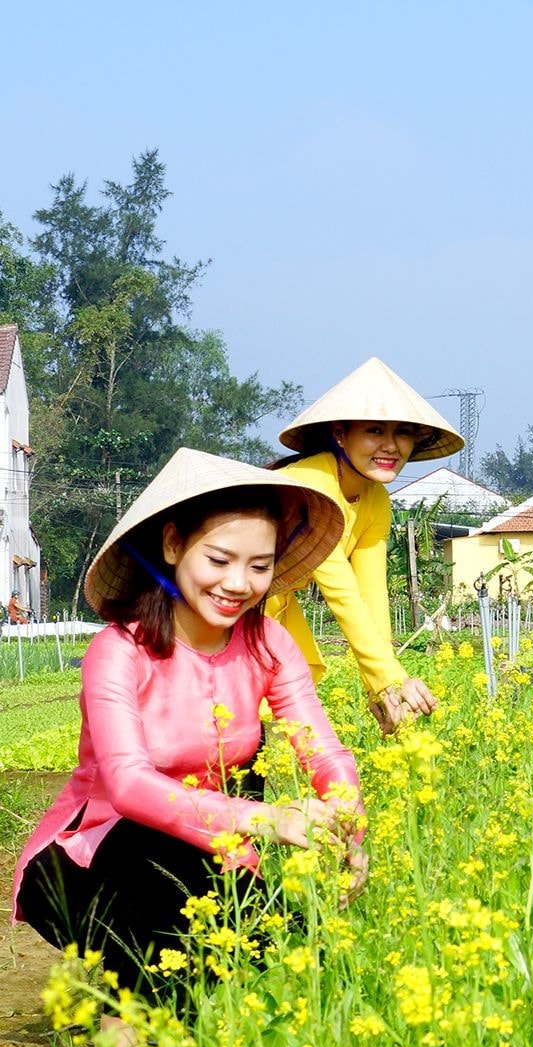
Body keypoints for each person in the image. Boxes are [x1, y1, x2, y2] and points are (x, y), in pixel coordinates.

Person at [12, 449, 363, 1000]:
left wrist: (347, 827)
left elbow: (322, 754)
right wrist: (266, 818)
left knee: (303, 970)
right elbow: (128, 787)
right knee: (161, 932)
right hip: (92, 857)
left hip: (210, 853)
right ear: (174, 545)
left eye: (259, 565)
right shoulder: (120, 650)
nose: (239, 583)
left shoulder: (269, 645)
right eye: (219, 560)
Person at [264, 357, 464, 734]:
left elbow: (372, 595)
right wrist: (389, 678)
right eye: (374, 431)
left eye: (403, 433)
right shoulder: (310, 485)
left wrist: (379, 688)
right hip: (222, 616)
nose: (391, 446)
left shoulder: (376, 499)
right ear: (340, 434)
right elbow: (342, 592)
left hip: (268, 622)